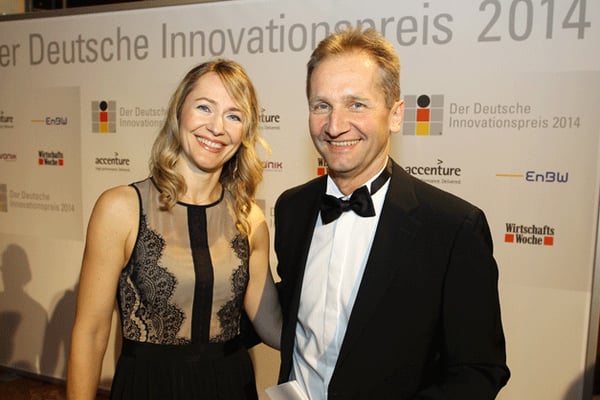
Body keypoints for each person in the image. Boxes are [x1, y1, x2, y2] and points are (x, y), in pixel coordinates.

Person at [274, 26, 510, 399]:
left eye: (356, 104)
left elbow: (479, 370)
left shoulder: (453, 229)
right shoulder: (292, 208)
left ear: (396, 115)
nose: (335, 126)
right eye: (322, 105)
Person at [67, 59, 282, 400]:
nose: (216, 127)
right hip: (147, 388)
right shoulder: (121, 208)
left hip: (230, 387)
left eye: (234, 115)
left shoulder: (249, 219)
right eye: (204, 107)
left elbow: (271, 324)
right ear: (179, 111)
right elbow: (91, 333)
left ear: (246, 131)